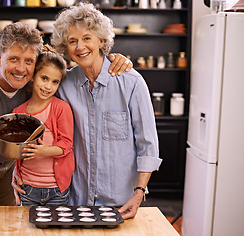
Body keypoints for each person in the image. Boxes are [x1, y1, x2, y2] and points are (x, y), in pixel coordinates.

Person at [0, 22, 132, 216]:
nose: (21, 68)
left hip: (10, 164)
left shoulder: (34, 81)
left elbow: (62, 71)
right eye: (13, 59)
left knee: (10, 219)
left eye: (28, 61)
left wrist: (111, 60)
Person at [14, 3, 162, 220]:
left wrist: (139, 193)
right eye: (72, 41)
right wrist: (16, 172)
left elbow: (148, 146)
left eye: (87, 38)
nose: (80, 46)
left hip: (121, 202)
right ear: (66, 47)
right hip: (75, 200)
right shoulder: (63, 84)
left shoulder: (131, 83)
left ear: (102, 40)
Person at [13, 45, 74, 206]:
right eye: (44, 78)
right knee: (27, 230)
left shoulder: (61, 108)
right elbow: (15, 150)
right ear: (33, 76)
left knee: (56, 231)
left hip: (56, 189)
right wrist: (14, 172)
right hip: (27, 188)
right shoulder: (18, 112)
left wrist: (44, 151)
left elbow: (67, 144)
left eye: (55, 82)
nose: (48, 87)